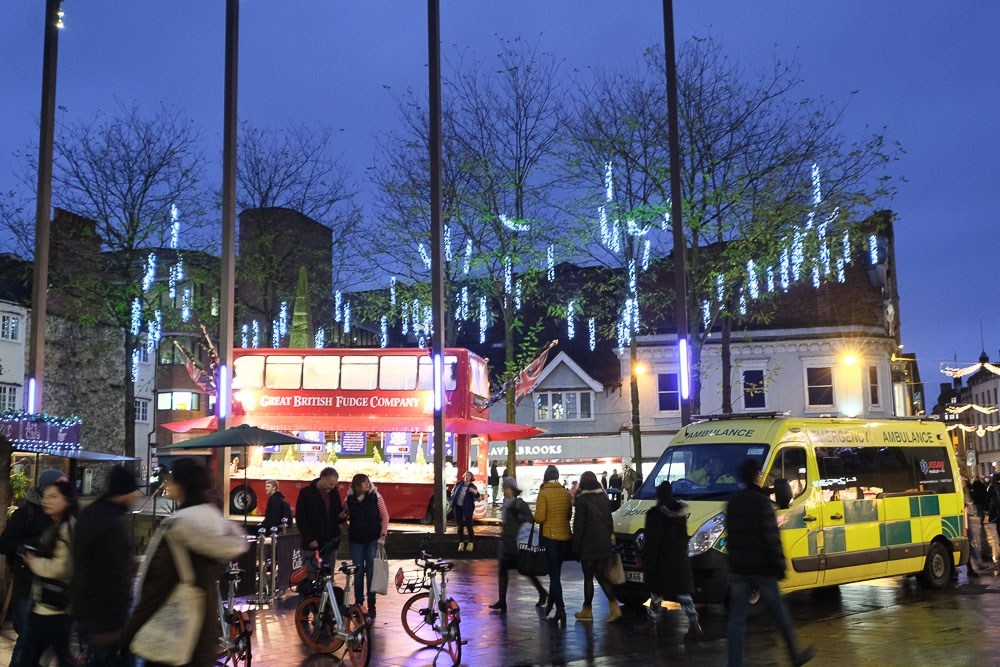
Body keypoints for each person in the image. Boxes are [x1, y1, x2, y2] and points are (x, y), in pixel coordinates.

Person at [123, 457, 248, 667]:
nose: (167, 484)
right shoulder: (214, 523)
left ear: (182, 486)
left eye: (171, 479)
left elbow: (155, 587)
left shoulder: (176, 527)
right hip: (203, 631)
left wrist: (128, 633)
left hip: (171, 635)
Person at [726, 459, 813, 667]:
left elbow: (731, 537)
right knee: (780, 615)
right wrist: (780, 566)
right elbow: (771, 537)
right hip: (763, 569)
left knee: (736, 621)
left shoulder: (733, 502)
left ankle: (734, 663)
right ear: (756, 476)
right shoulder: (762, 502)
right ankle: (794, 656)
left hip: (740, 569)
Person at [72, 465, 140, 666]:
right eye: (133, 491)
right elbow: (114, 575)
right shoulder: (112, 524)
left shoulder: (89, 514)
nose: (136, 496)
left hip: (87, 609)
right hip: (108, 617)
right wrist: (116, 626)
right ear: (125, 493)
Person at [0, 468, 65, 667]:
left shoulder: (63, 515)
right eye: (58, 485)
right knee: (28, 638)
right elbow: (4, 543)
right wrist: (31, 546)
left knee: (41, 641)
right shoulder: (26, 513)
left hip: (51, 589)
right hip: (27, 585)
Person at [19, 480, 77, 667]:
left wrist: (34, 562)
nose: (46, 500)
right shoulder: (59, 525)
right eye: (45, 496)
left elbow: (61, 568)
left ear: (67, 500)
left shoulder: (67, 528)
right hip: (49, 606)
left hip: (53, 608)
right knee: (41, 657)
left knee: (31, 658)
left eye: (53, 496)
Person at [644, 481, 702, 639]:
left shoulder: (655, 514)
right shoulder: (680, 513)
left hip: (662, 560)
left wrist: (648, 562)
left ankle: (651, 624)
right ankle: (694, 622)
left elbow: (652, 541)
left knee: (656, 594)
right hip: (679, 559)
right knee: (683, 594)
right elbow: (684, 537)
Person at [489, 477, 547, 613]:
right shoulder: (507, 503)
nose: (503, 490)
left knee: (526, 570)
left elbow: (530, 520)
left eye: (506, 488)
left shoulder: (520, 504)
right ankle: (502, 601)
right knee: (503, 571)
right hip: (507, 544)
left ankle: (542, 592)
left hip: (516, 545)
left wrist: (520, 518)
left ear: (512, 489)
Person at [571, 471, 621, 623]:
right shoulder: (604, 498)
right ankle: (614, 607)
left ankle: (587, 610)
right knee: (601, 576)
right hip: (604, 544)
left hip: (588, 545)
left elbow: (578, 526)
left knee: (588, 578)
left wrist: (575, 548)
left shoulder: (582, 500)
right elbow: (610, 522)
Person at [345, 474, 389, 619]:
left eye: (367, 483)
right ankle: (359, 603)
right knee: (358, 572)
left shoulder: (376, 497)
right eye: (363, 483)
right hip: (356, 540)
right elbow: (343, 514)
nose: (367, 485)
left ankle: (372, 604)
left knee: (371, 572)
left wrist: (382, 535)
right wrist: (346, 527)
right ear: (356, 486)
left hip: (372, 539)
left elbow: (385, 516)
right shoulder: (349, 500)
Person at [534, 464, 572, 624]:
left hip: (550, 537)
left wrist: (534, 515)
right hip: (564, 538)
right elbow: (569, 516)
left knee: (554, 576)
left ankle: (561, 609)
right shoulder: (565, 493)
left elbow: (540, 518)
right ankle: (551, 605)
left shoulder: (543, 493)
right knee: (555, 574)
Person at [295, 467, 345, 565]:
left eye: (334, 485)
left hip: (330, 542)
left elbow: (337, 513)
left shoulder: (334, 493)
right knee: (311, 572)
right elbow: (301, 518)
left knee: (328, 574)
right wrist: (309, 539)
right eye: (330, 484)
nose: (332, 487)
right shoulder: (306, 493)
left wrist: (341, 518)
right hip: (312, 542)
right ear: (322, 478)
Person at [450, 471, 481, 552]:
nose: (467, 477)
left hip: (468, 508)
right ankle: (461, 543)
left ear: (471, 478)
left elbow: (479, 499)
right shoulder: (458, 484)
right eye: (466, 475)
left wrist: (474, 492)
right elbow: (453, 492)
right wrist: (453, 496)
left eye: (469, 476)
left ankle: (470, 543)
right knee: (460, 526)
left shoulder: (472, 486)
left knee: (469, 526)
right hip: (458, 507)